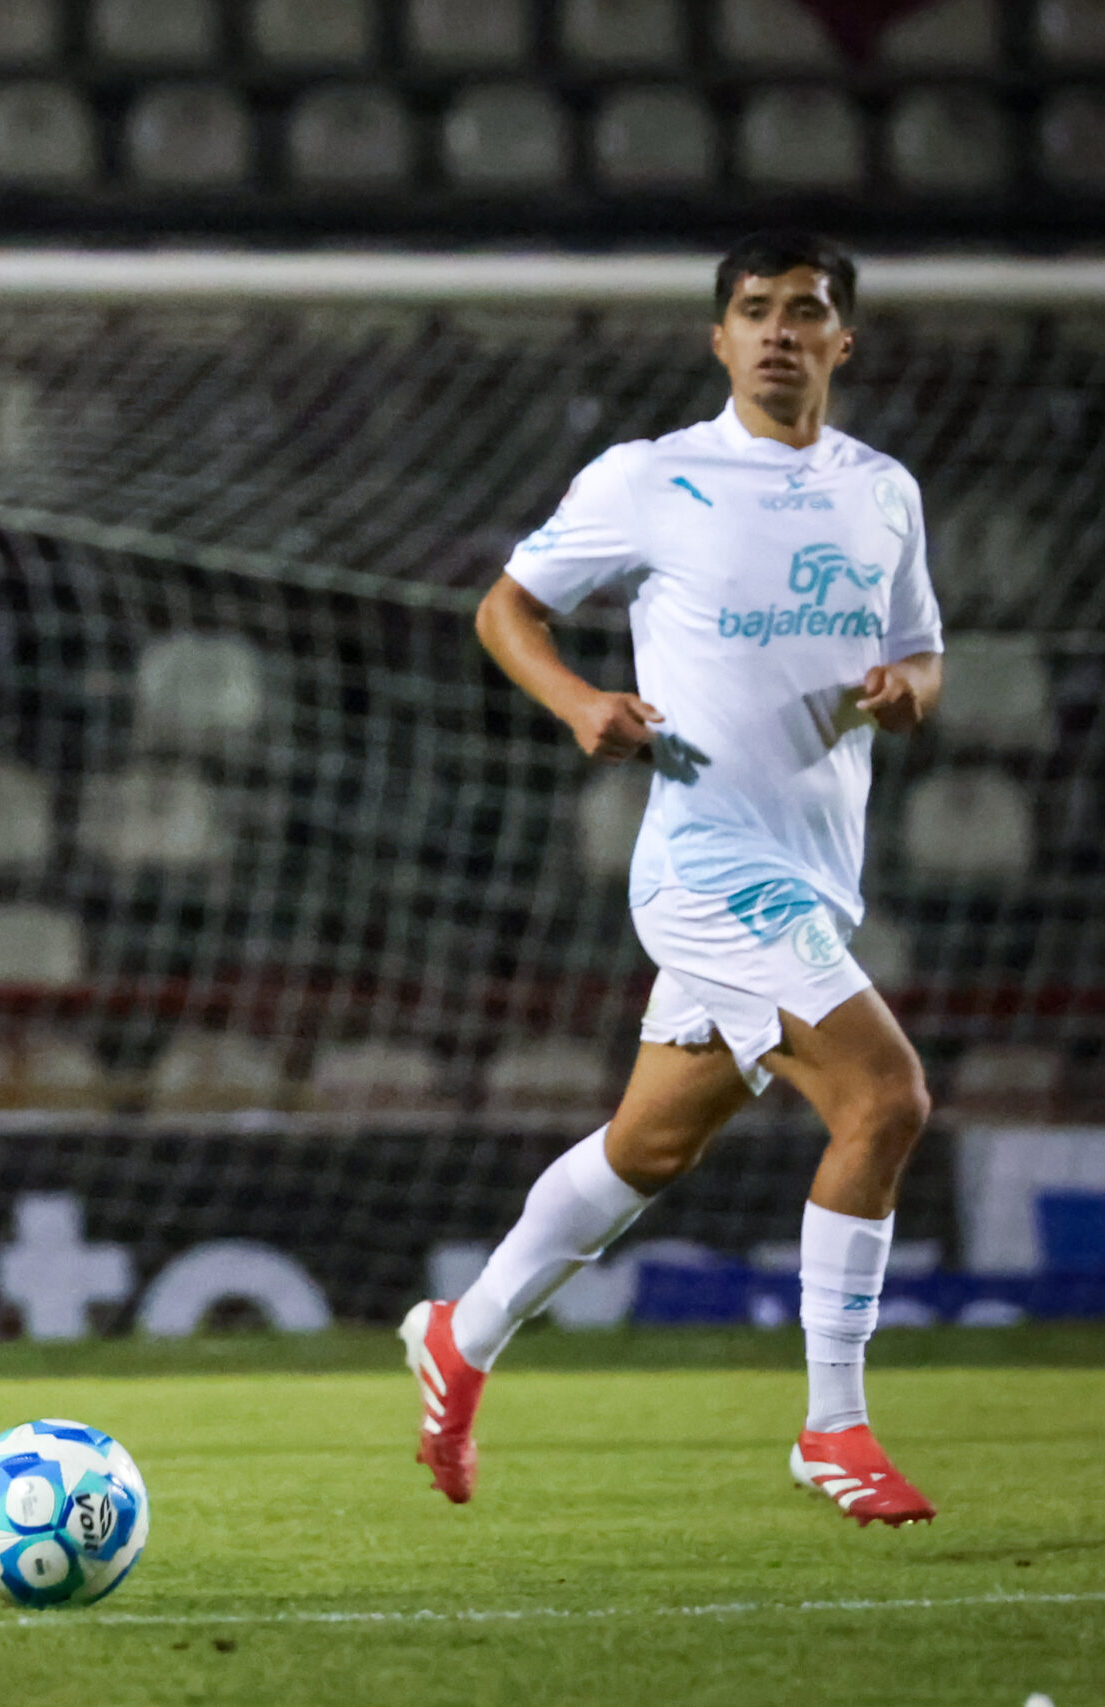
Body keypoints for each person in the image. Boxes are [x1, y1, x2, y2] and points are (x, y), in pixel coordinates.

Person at [403, 232, 946, 1527]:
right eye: (754, 310)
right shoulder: (652, 478)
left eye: (803, 311)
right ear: (719, 338)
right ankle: (833, 1426)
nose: (777, 331)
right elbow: (505, 608)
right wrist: (579, 702)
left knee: (648, 1144)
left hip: (814, 874)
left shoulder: (883, 492)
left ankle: (462, 1335)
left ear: (841, 340)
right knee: (884, 1097)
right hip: (706, 867)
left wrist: (907, 691)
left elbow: (923, 651)